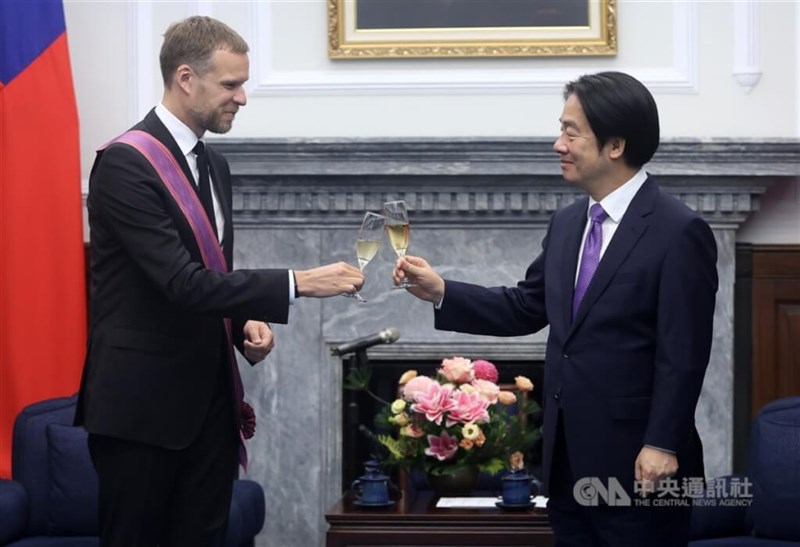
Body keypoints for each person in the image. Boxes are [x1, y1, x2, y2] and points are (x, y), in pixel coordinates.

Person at [393, 71, 718, 547]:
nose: (557, 144)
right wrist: (443, 290)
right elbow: (526, 307)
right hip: (568, 464)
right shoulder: (569, 223)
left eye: (571, 132)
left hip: (641, 466)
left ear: (615, 145)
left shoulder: (678, 231)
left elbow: (684, 353)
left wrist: (662, 442)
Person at [74, 16, 363, 546]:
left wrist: (240, 324)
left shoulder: (215, 164)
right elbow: (182, 284)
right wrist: (297, 282)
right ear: (186, 78)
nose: (243, 98)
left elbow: (211, 278)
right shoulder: (124, 165)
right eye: (231, 84)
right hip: (141, 414)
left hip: (208, 407)